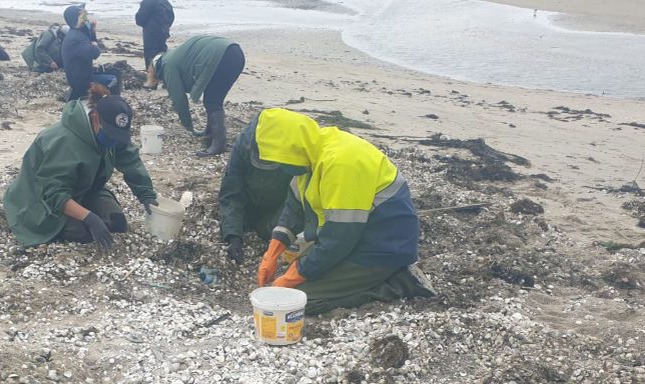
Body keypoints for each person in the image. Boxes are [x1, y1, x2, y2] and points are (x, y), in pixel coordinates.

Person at [252, 108, 435, 315]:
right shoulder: (307, 156)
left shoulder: (341, 162)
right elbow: (293, 211)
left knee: (301, 301)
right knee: (297, 276)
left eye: (280, 160)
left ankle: (400, 282)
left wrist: (293, 276)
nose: (280, 166)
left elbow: (339, 238)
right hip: (355, 237)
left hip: (383, 246)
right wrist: (271, 255)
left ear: (291, 148)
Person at [4, 85, 158, 248]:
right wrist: (89, 218)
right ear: (96, 118)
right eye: (111, 134)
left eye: (118, 136)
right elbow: (53, 193)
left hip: (85, 188)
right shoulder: (65, 141)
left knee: (117, 223)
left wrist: (146, 194)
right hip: (38, 200)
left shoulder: (111, 134)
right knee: (83, 233)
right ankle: (68, 218)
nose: (114, 140)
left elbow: (129, 159)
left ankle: (82, 211)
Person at [219, 110, 294, 263]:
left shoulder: (296, 152)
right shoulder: (243, 145)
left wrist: (273, 234)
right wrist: (233, 236)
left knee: (269, 230)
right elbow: (231, 191)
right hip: (250, 202)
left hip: (280, 207)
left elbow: (296, 202)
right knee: (234, 221)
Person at [152, 35, 244, 156]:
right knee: (214, 98)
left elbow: (179, 99)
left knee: (212, 102)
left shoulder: (168, 65)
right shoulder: (176, 55)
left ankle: (219, 144)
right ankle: (210, 133)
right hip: (236, 53)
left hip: (222, 56)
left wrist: (189, 126)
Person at [61, 3, 118, 101]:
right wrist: (94, 44)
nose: (86, 20)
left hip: (78, 75)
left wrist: (92, 32)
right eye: (84, 18)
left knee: (111, 72)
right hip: (82, 81)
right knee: (113, 79)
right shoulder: (76, 39)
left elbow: (90, 45)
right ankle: (101, 100)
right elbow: (95, 53)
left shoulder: (75, 34)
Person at [134, 0, 173, 89]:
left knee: (151, 55)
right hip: (163, 30)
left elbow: (140, 18)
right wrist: (165, 26)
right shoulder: (165, 2)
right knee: (163, 53)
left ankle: (152, 81)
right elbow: (171, 17)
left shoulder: (148, 1)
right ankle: (166, 79)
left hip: (151, 31)